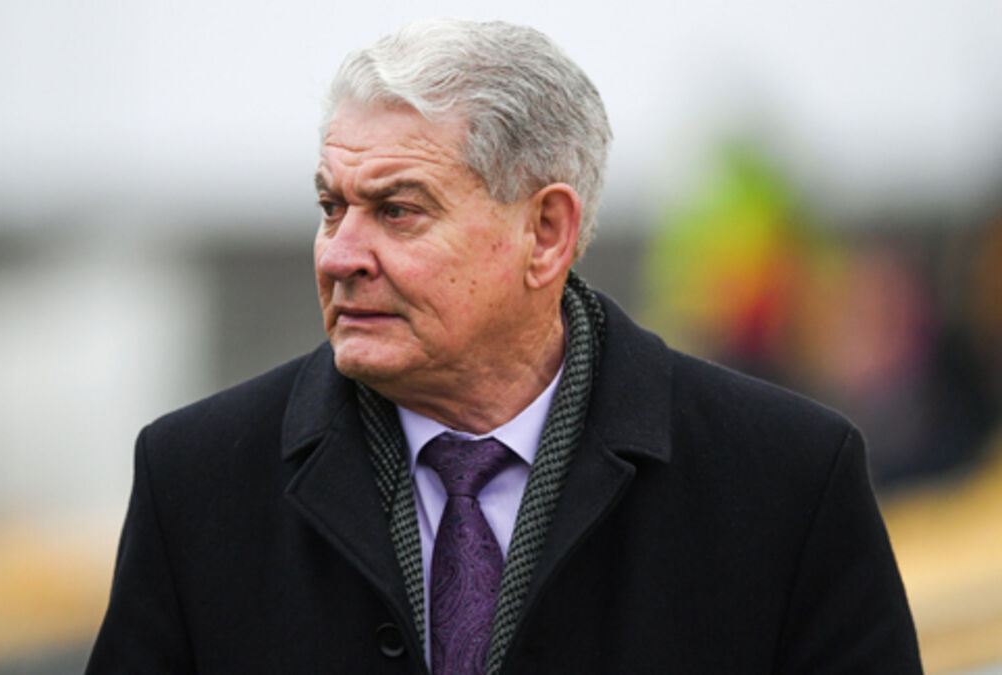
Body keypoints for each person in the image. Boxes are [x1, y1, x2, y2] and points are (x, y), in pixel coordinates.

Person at [86, 19, 921, 674]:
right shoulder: (194, 479)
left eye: (398, 210)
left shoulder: (787, 480)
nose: (341, 255)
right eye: (331, 207)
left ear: (546, 232)